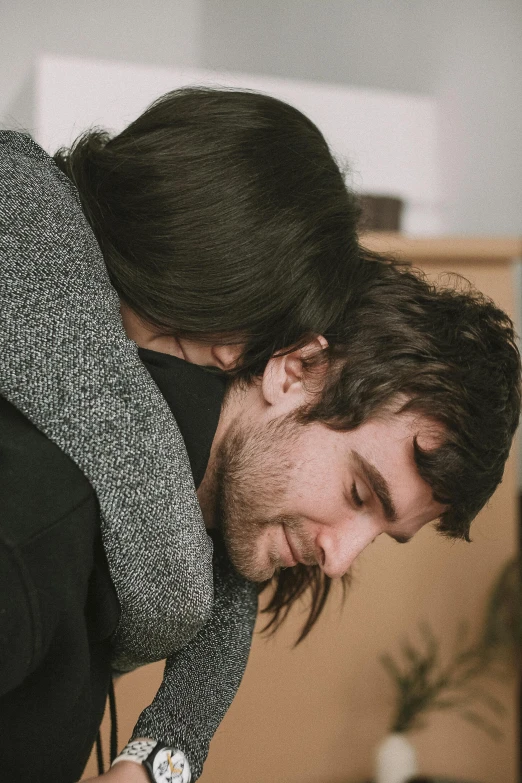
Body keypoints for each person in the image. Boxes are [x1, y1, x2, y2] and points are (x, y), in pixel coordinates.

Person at [0, 87, 520, 783]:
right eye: (360, 490)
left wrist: (165, 758)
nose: (339, 561)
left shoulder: (187, 498)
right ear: (294, 367)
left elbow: (213, 565)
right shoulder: (44, 516)